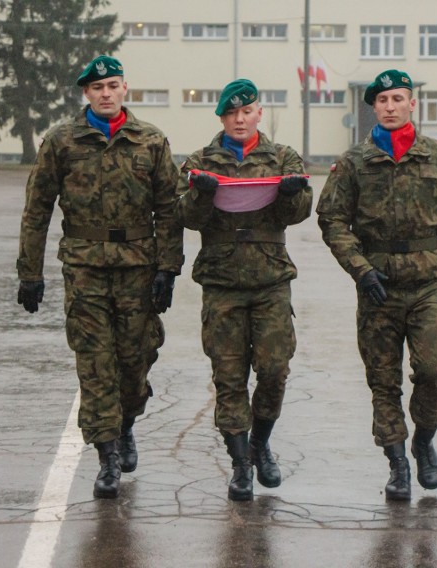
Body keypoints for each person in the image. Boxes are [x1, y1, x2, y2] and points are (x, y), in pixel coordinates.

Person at [316, 69, 437, 501]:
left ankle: (424, 441)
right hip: (376, 284)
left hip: (427, 284)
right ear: (374, 107)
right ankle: (397, 463)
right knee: (383, 380)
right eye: (383, 101)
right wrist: (360, 268)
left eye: (398, 99)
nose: (391, 106)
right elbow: (332, 219)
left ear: (412, 103)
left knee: (432, 372)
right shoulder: (354, 163)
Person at [16, 55, 183, 499]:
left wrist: (169, 267)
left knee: (136, 360)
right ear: (85, 94)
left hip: (138, 267)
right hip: (85, 267)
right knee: (95, 365)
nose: (105, 93)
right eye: (96, 88)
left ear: (125, 88)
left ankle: (126, 423)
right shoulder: (62, 141)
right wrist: (29, 272)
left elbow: (169, 208)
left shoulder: (151, 141)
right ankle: (107, 456)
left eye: (112, 85)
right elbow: (37, 209)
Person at [175, 79, 312, 501]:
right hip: (222, 284)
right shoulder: (200, 161)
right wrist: (201, 194)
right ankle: (240, 465)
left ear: (258, 113)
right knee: (229, 377)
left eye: (246, 110)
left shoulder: (282, 156)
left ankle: (260, 443)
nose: (239, 118)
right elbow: (185, 215)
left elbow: (301, 211)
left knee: (274, 370)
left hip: (270, 282)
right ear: (221, 117)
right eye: (231, 113)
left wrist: (291, 194)